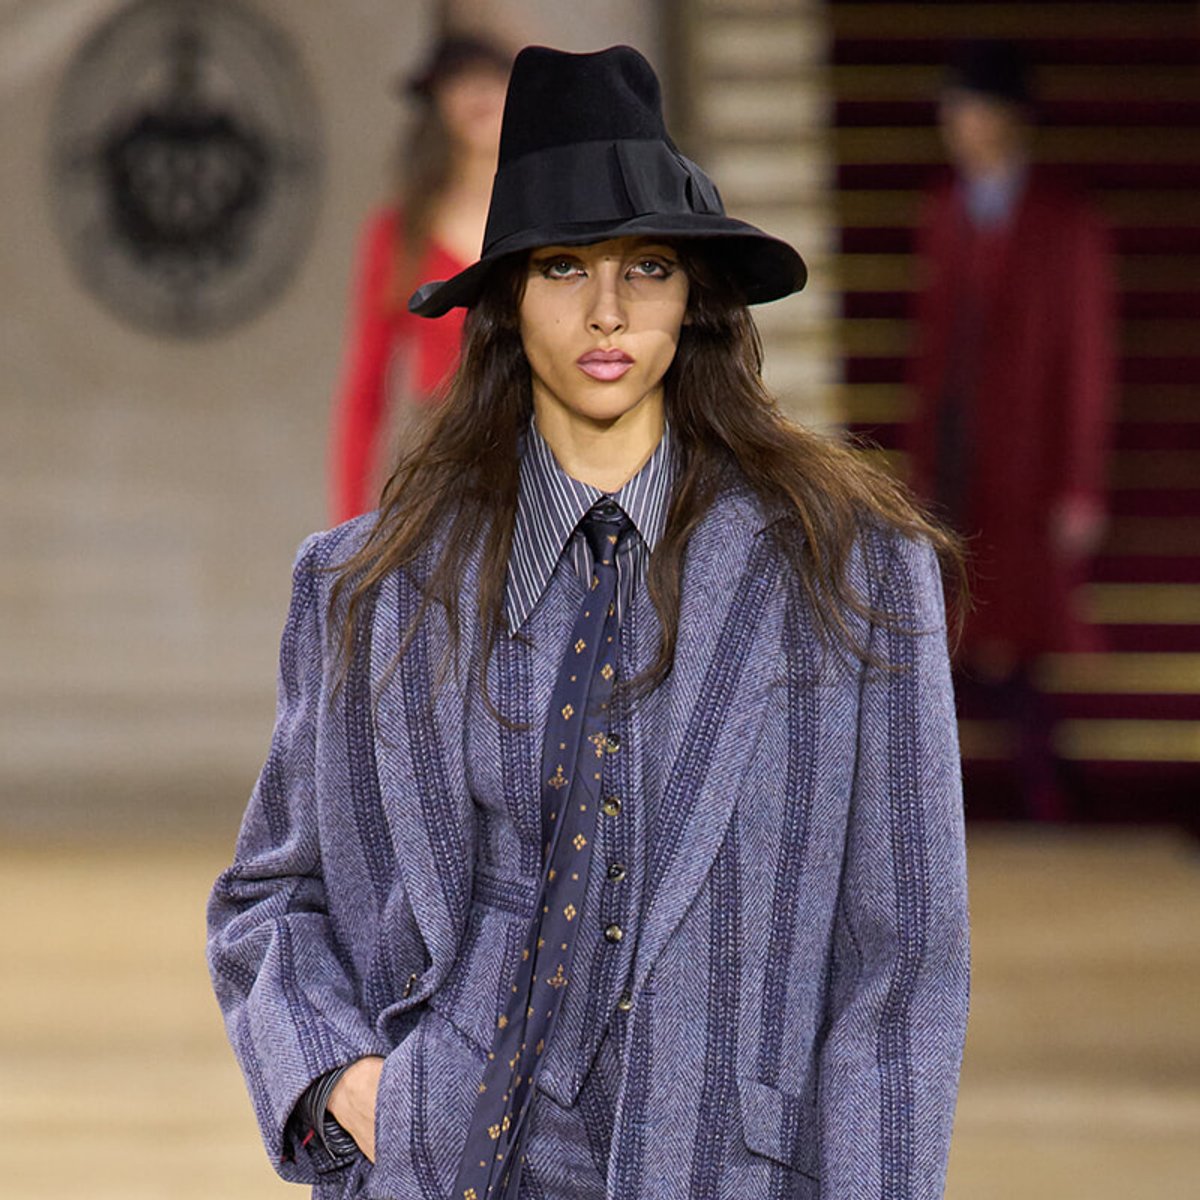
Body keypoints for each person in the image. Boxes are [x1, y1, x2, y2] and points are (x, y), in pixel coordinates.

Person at [209, 45, 969, 1200]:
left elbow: (900, 972)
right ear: (507, 301)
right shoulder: (367, 589)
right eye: (564, 267)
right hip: (444, 1164)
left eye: (647, 268)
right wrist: (348, 1087)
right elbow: (272, 895)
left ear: (694, 299)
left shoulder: (849, 577)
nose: (607, 310)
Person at [906, 40, 1115, 818]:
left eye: (970, 110)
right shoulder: (945, 211)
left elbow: (1088, 362)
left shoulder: (1064, 222)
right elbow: (931, 351)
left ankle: (1042, 786)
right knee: (954, 621)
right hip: (959, 453)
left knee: (1017, 629)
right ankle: (979, 791)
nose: (956, 125)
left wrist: (1080, 484)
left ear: (1007, 120)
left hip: (1030, 460)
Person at [330, 32, 511, 523]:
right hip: (446, 461)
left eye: (494, 79)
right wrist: (349, 525)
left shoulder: (554, 219)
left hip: (550, 454)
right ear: (437, 104)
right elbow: (366, 387)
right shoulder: (399, 235)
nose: (479, 95)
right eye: (460, 82)